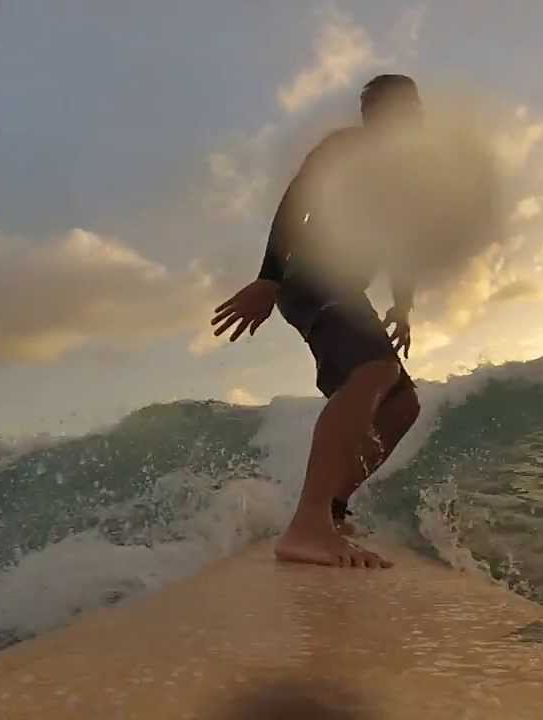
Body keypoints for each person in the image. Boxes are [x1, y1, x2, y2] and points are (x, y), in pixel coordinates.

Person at [211, 74, 428, 569]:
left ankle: (331, 510)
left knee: (402, 407)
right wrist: (269, 278)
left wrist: (403, 307)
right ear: (370, 111)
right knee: (372, 372)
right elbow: (296, 203)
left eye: (412, 106)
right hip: (310, 276)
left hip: (345, 290)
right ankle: (307, 527)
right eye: (393, 105)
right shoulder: (346, 149)